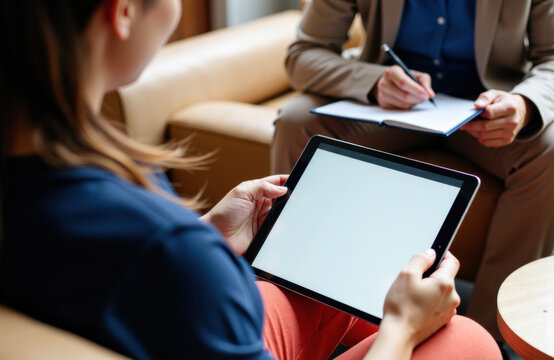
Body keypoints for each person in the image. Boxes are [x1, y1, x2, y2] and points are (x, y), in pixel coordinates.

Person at [0, 0, 502, 359]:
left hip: (160, 314)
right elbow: (148, 259)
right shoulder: (168, 250)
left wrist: (208, 233)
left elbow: (97, 264)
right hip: (184, 310)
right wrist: (400, 326)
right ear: (122, 11)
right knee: (467, 341)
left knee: (319, 283)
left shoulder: (53, 183)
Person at [271, 0, 554, 340]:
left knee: (549, 147)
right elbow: (303, 53)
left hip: (484, 119)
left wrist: (524, 104)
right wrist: (373, 81)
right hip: (388, 109)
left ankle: (492, 335)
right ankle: (296, 299)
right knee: (295, 120)